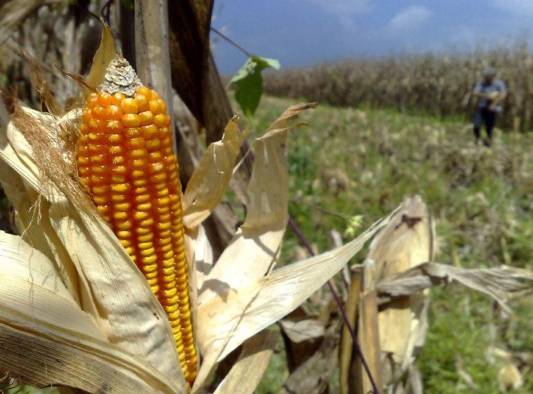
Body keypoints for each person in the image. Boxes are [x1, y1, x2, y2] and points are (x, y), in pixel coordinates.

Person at [472, 67, 507, 147]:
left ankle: (488, 142)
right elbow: (475, 92)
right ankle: (477, 139)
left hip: (492, 109)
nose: (486, 78)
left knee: (489, 126)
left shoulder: (499, 83)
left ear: (493, 76)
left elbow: (503, 94)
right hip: (482, 107)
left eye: (488, 76)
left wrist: (494, 104)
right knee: (476, 125)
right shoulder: (481, 83)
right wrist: (486, 96)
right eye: (485, 76)